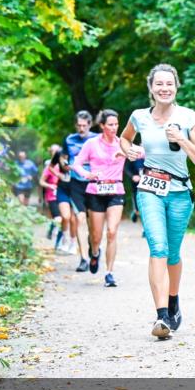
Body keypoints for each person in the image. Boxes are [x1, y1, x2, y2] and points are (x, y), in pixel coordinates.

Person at [120, 63, 195, 339]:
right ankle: (161, 317)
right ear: (151, 87)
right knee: (157, 247)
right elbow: (124, 139)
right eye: (159, 84)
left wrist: (182, 139)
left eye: (169, 84)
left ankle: (173, 300)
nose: (164, 88)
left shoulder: (188, 117)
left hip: (181, 193)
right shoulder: (139, 117)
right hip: (150, 189)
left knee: (172, 253)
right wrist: (130, 150)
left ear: (176, 86)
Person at [72, 110, 128, 287]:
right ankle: (94, 253)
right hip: (95, 191)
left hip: (116, 190)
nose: (114, 128)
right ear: (102, 126)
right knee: (96, 236)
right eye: (110, 124)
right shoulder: (91, 143)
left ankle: (109, 273)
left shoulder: (123, 143)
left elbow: (141, 153)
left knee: (112, 232)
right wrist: (87, 174)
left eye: (116, 124)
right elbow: (76, 165)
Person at [61, 111, 98, 271]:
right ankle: (83, 258)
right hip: (76, 184)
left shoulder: (97, 139)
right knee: (80, 219)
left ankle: (93, 247)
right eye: (79, 125)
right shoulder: (69, 139)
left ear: (90, 125)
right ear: (76, 125)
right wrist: (64, 164)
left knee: (93, 225)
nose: (81, 128)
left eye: (84, 125)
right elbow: (63, 158)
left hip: (94, 184)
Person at [39, 150, 65, 251]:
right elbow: (41, 181)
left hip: (63, 196)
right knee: (59, 219)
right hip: (52, 197)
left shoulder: (66, 167)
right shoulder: (49, 167)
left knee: (65, 219)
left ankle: (58, 242)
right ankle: (52, 229)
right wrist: (50, 186)